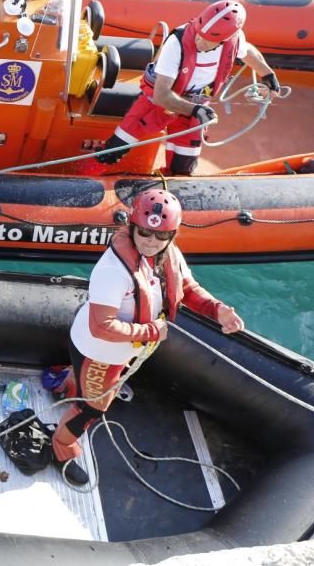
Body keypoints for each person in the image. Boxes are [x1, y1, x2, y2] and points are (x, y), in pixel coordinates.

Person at [50, 188, 244, 485]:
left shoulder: (170, 256)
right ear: (132, 227)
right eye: (144, 233)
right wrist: (153, 331)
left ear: (172, 235)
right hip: (101, 352)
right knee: (93, 407)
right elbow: (102, 327)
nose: (151, 242)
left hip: (120, 349)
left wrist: (218, 311)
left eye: (160, 236)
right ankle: (61, 448)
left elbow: (188, 289)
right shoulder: (114, 270)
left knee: (85, 380)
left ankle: (66, 386)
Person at [97, 0, 282, 176]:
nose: (199, 42)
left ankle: (167, 179)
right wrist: (196, 110)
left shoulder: (235, 40)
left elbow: (248, 51)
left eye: (207, 40)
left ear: (226, 40)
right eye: (199, 34)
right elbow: (162, 95)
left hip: (194, 106)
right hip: (161, 99)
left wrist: (266, 74)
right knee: (115, 148)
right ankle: (91, 172)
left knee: (183, 166)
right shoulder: (177, 43)